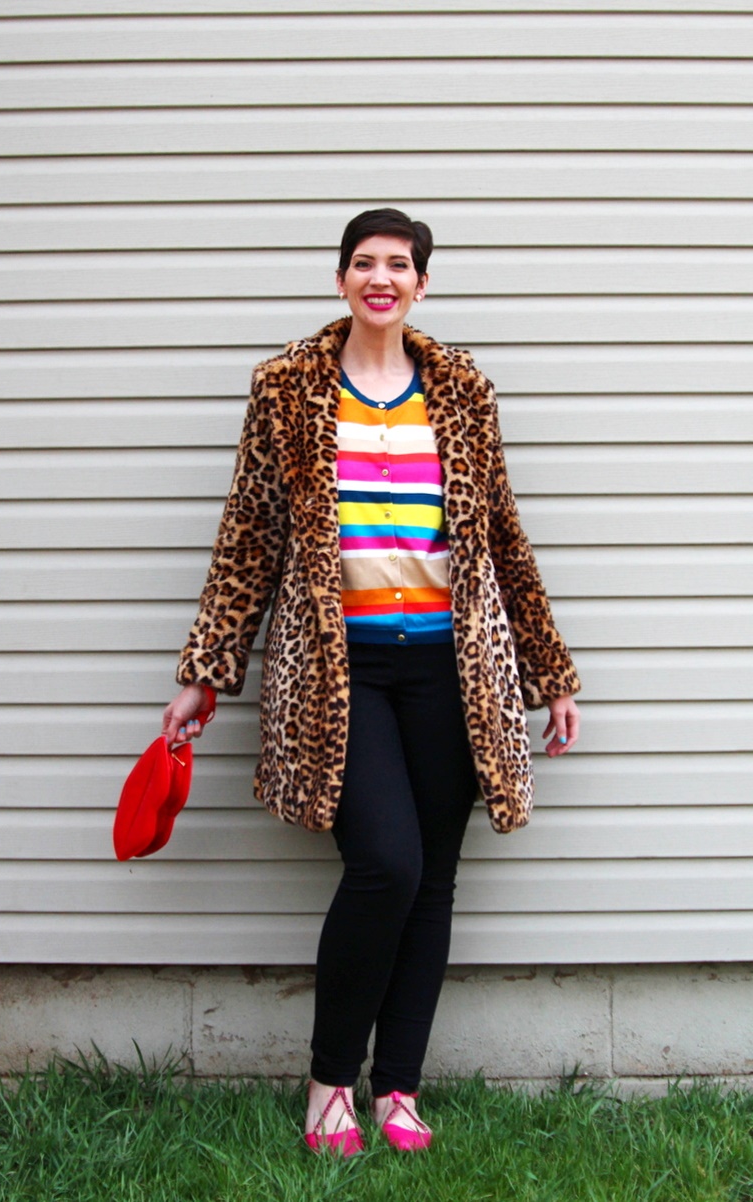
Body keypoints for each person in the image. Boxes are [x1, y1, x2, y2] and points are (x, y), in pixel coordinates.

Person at [162, 208, 581, 1154]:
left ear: (422, 285)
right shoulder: (288, 388)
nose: (380, 277)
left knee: (433, 880)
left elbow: (502, 537)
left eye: (399, 264)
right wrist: (206, 672)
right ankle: (326, 1086)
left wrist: (550, 670)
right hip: (339, 673)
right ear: (342, 278)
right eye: (364, 262)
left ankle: (396, 1090)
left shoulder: (464, 389)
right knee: (387, 863)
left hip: (450, 668)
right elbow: (249, 536)